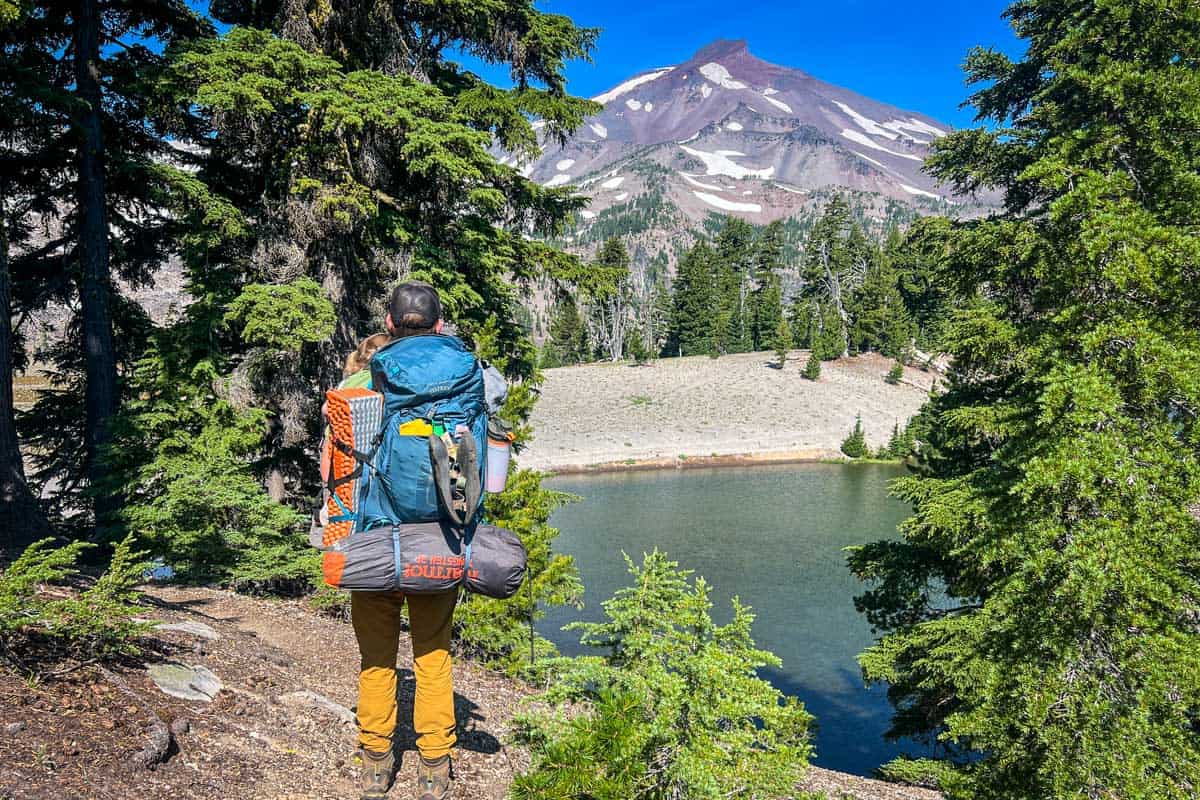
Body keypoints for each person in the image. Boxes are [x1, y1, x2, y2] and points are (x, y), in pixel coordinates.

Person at [353, 282, 458, 800]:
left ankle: (377, 762)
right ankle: (434, 767)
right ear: (439, 326)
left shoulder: (362, 378)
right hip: (438, 540)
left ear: (389, 325)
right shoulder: (466, 378)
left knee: (377, 658)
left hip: (375, 541)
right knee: (432, 655)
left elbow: (339, 464)